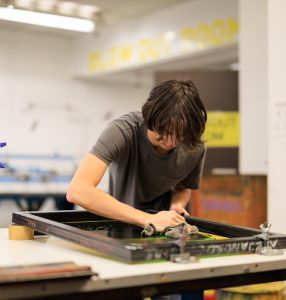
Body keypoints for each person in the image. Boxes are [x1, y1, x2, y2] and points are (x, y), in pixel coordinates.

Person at [66, 79, 207, 234]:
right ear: (150, 118)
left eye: (180, 135)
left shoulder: (194, 147)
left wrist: (177, 204)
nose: (172, 141)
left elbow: (183, 187)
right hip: (122, 228)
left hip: (168, 232)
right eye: (165, 131)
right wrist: (148, 219)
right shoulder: (123, 131)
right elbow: (78, 190)